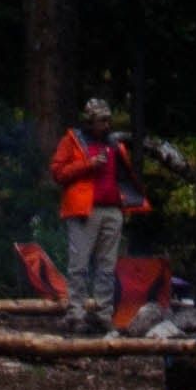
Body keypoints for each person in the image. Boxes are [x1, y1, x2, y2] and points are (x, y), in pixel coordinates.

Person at [47, 99, 136, 330]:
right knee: (79, 265)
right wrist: (87, 164)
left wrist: (128, 202)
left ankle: (103, 314)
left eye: (108, 120)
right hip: (83, 211)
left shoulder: (114, 144)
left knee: (107, 266)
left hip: (113, 210)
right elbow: (57, 172)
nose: (106, 125)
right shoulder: (73, 140)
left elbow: (125, 176)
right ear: (89, 122)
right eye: (101, 121)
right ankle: (76, 314)